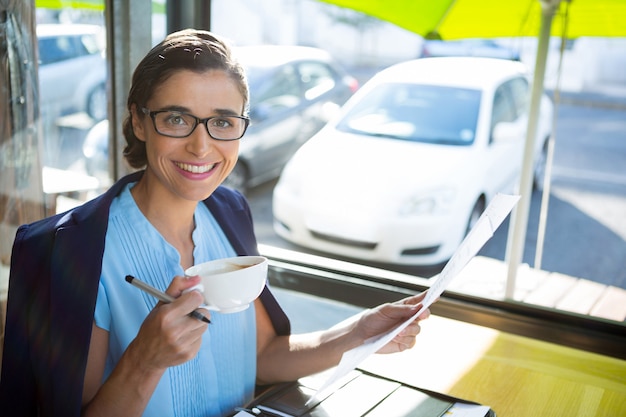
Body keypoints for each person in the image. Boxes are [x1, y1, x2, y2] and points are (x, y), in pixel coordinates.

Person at [0, 29, 430, 417]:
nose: (201, 146)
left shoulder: (231, 212)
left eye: (223, 122)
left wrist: (357, 333)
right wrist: (145, 359)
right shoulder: (71, 251)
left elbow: (261, 354)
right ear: (138, 121)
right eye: (176, 118)